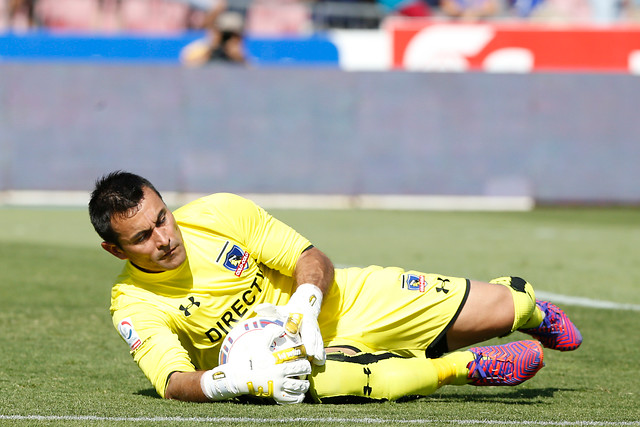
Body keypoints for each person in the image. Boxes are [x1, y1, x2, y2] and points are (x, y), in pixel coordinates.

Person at [88, 171, 582, 403]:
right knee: (334, 382)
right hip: (289, 360)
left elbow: (310, 257)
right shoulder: (132, 302)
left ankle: (527, 308)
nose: (164, 238)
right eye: (143, 237)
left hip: (342, 299)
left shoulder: (218, 212)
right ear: (117, 250)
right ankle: (466, 368)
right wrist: (231, 381)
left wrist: (305, 301)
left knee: (504, 307)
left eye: (163, 218)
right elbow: (172, 383)